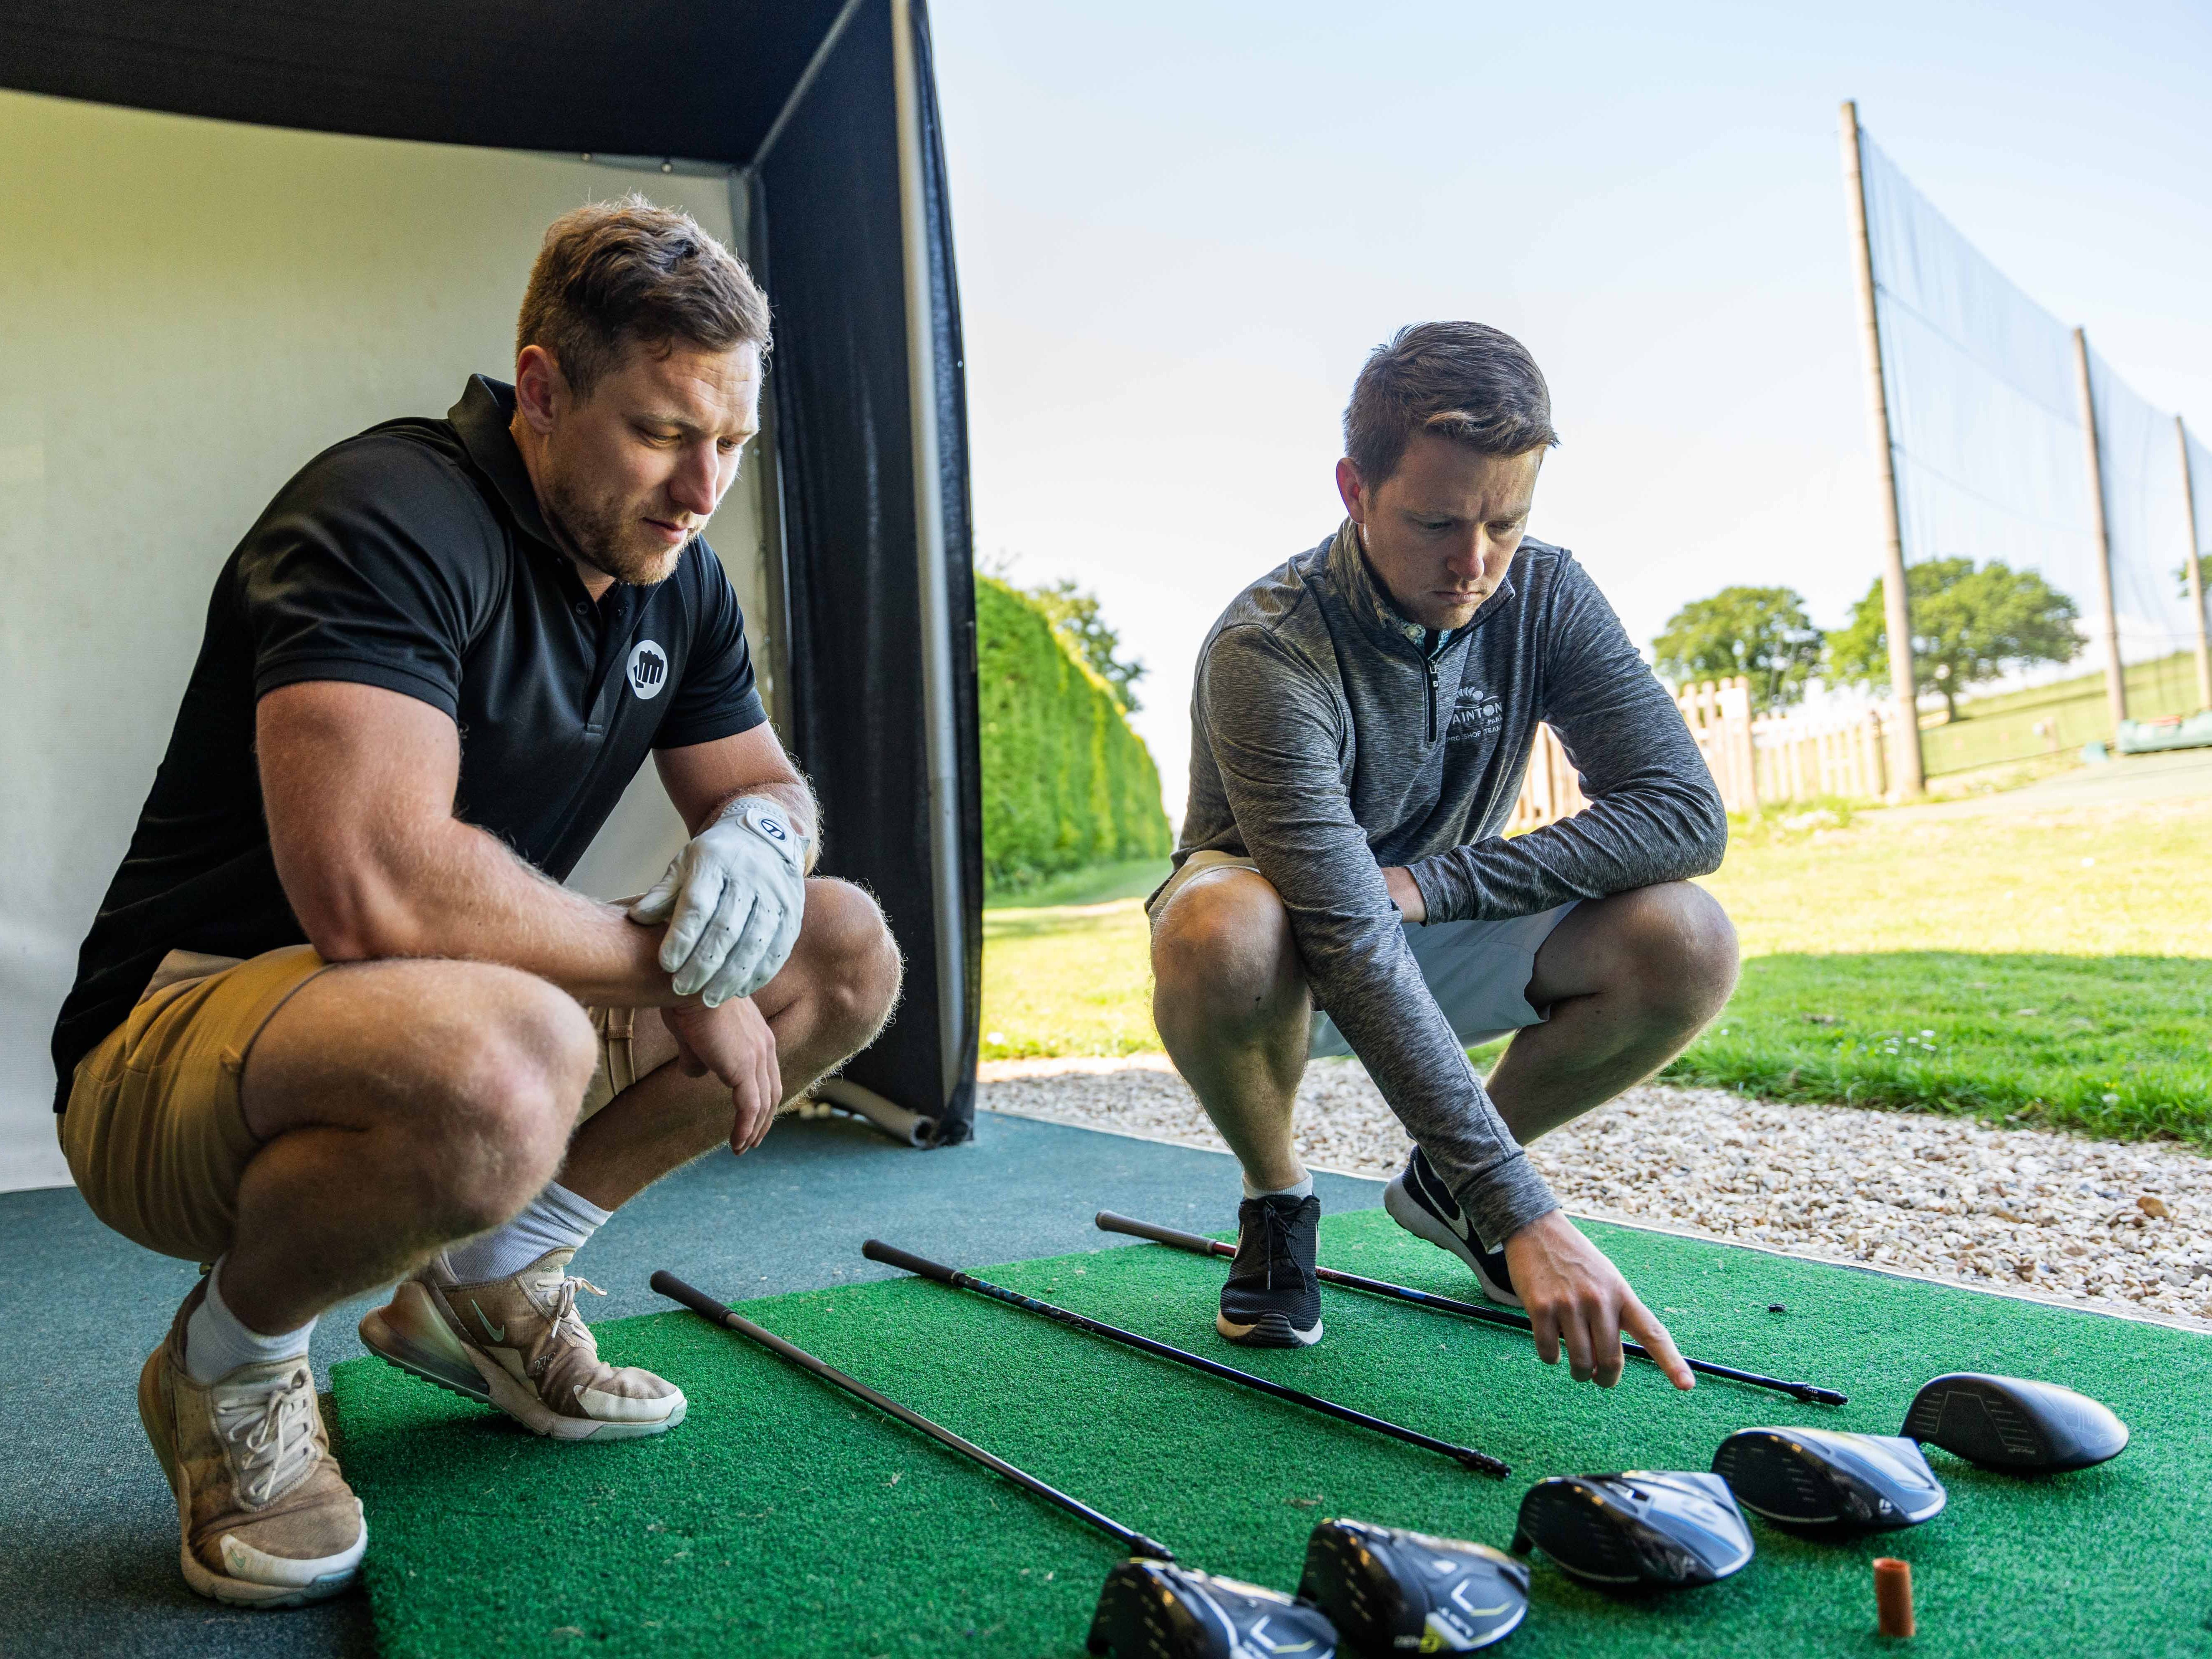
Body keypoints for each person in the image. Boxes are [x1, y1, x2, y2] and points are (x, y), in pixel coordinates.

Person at [50, 197, 903, 1609]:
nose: (703, 491)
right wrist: (689, 977)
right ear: (547, 389)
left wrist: (760, 838)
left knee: (841, 947)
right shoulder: (385, 512)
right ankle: (230, 1360)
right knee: (516, 1053)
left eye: (732, 445)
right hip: (170, 1041)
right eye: (664, 433)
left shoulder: (671, 575)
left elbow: (763, 783)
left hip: (440, 1010)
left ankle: (494, 1282)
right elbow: (374, 889)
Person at [1149, 321, 1736, 1393]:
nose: (1475, 566)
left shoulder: (1545, 594)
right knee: (1218, 929)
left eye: (1505, 523)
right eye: (1436, 523)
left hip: (1430, 918)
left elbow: (1685, 814)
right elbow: (1342, 930)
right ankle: (1278, 1203)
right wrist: (1530, 1213)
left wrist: (1437, 883)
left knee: (1688, 941)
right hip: (1286, 945)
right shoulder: (1268, 647)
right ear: (1354, 489)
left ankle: (1450, 1187)